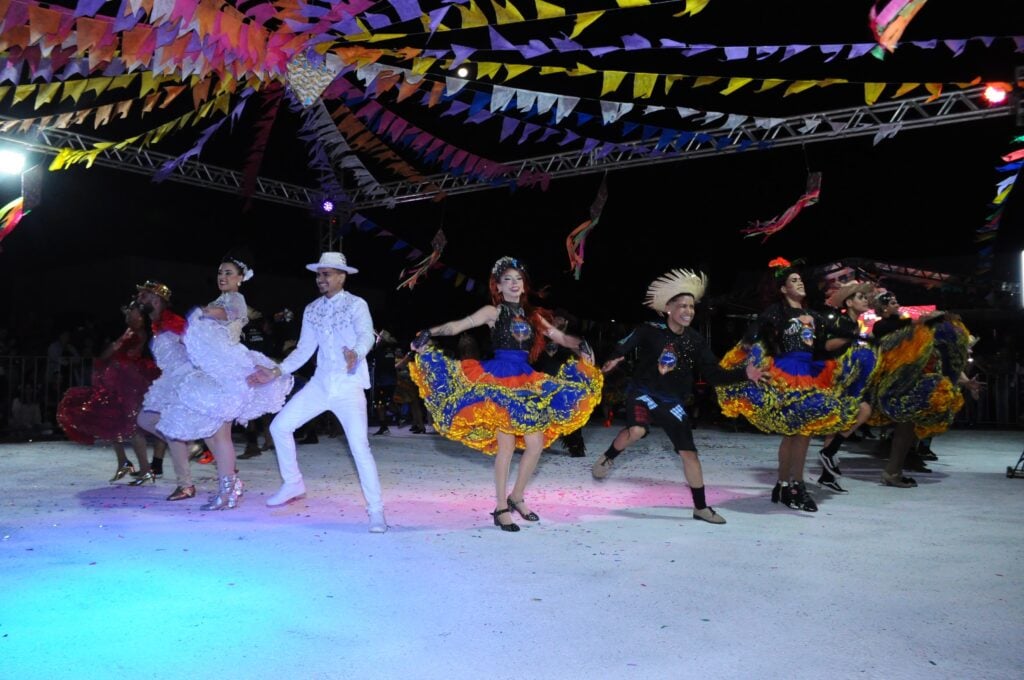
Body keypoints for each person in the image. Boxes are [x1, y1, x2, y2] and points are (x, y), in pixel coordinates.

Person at [409, 255, 603, 532]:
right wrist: (430, 331)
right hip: (499, 379)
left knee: (536, 445)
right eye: (507, 280)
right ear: (498, 287)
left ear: (525, 286)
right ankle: (500, 507)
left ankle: (517, 496)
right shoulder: (493, 312)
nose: (514, 284)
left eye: (518, 279)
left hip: (526, 380)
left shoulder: (534, 316)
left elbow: (560, 338)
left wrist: (580, 344)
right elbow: (458, 325)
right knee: (507, 446)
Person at [591, 270, 763, 525]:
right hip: (643, 393)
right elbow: (625, 344)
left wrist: (744, 374)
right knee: (637, 431)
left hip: (673, 403)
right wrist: (615, 356)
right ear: (668, 308)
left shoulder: (695, 341)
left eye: (691, 306)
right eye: (682, 305)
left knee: (689, 454)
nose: (688, 310)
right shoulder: (649, 329)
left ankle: (701, 508)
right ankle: (608, 456)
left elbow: (714, 375)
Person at [717, 259, 871, 513]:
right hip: (786, 372)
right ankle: (794, 485)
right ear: (783, 289)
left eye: (800, 280)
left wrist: (850, 335)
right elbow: (752, 336)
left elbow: (824, 346)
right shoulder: (776, 312)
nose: (799, 283)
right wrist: (748, 361)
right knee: (799, 433)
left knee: (798, 433)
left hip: (809, 372)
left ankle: (784, 484)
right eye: (793, 281)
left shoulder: (814, 316)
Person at [248, 251, 387, 533]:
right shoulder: (312, 309)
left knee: (360, 447)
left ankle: (376, 511)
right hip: (321, 384)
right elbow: (303, 350)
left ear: (341, 276)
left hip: (348, 386)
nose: (320, 279)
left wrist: (356, 354)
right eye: (318, 274)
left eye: (326, 274)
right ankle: (293, 483)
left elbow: (365, 335)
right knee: (279, 427)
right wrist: (276, 372)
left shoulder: (356, 305)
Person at [154, 252, 292, 511]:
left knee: (220, 436)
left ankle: (228, 490)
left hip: (229, 370)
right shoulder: (220, 299)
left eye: (229, 273)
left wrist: (205, 313)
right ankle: (229, 487)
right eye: (220, 273)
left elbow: (229, 313)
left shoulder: (235, 299)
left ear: (240, 278)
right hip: (216, 369)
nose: (223, 277)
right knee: (213, 433)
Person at [867, 291, 982, 487]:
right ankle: (892, 471)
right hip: (897, 384)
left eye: (897, 300)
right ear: (883, 308)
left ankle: (895, 470)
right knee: (906, 427)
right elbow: (901, 341)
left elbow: (937, 358)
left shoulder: (914, 331)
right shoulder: (883, 326)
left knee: (909, 428)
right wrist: (924, 321)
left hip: (912, 381)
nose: (897, 304)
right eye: (893, 302)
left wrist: (965, 382)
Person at [57, 299, 165, 483]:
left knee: (131, 427)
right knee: (112, 421)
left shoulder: (137, 332)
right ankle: (124, 462)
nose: (127, 314)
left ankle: (146, 469)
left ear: (139, 316)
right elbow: (109, 354)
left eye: (131, 312)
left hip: (128, 384)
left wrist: (114, 350)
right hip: (119, 382)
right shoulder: (131, 331)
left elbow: (111, 354)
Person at [135, 281, 206, 500]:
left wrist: (197, 376)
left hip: (183, 380)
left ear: (156, 299)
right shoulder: (156, 325)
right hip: (169, 381)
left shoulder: (173, 321)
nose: (139, 300)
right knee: (146, 420)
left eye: (144, 296)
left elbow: (197, 345)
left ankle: (187, 485)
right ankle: (191, 446)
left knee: (173, 429)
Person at [815, 281, 879, 493]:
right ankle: (826, 459)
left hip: (846, 382)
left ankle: (827, 469)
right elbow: (827, 346)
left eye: (865, 298)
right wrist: (852, 337)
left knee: (845, 419)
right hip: (830, 378)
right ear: (849, 302)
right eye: (860, 297)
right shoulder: (843, 322)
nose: (865, 301)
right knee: (859, 412)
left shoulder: (853, 323)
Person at [532, 309, 588, 457]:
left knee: (568, 415)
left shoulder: (571, 339)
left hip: (563, 383)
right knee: (537, 415)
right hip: (542, 382)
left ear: (566, 322)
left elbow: (583, 356)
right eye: (554, 319)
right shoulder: (541, 338)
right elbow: (533, 358)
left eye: (560, 319)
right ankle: (536, 445)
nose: (556, 321)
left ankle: (575, 446)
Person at [370, 329, 399, 435]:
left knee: (382, 404)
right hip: (391, 380)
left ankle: (400, 416)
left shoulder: (379, 349)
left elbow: (369, 357)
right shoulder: (390, 349)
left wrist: (376, 344)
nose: (376, 339)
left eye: (378, 338)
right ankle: (385, 426)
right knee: (383, 403)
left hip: (383, 381)